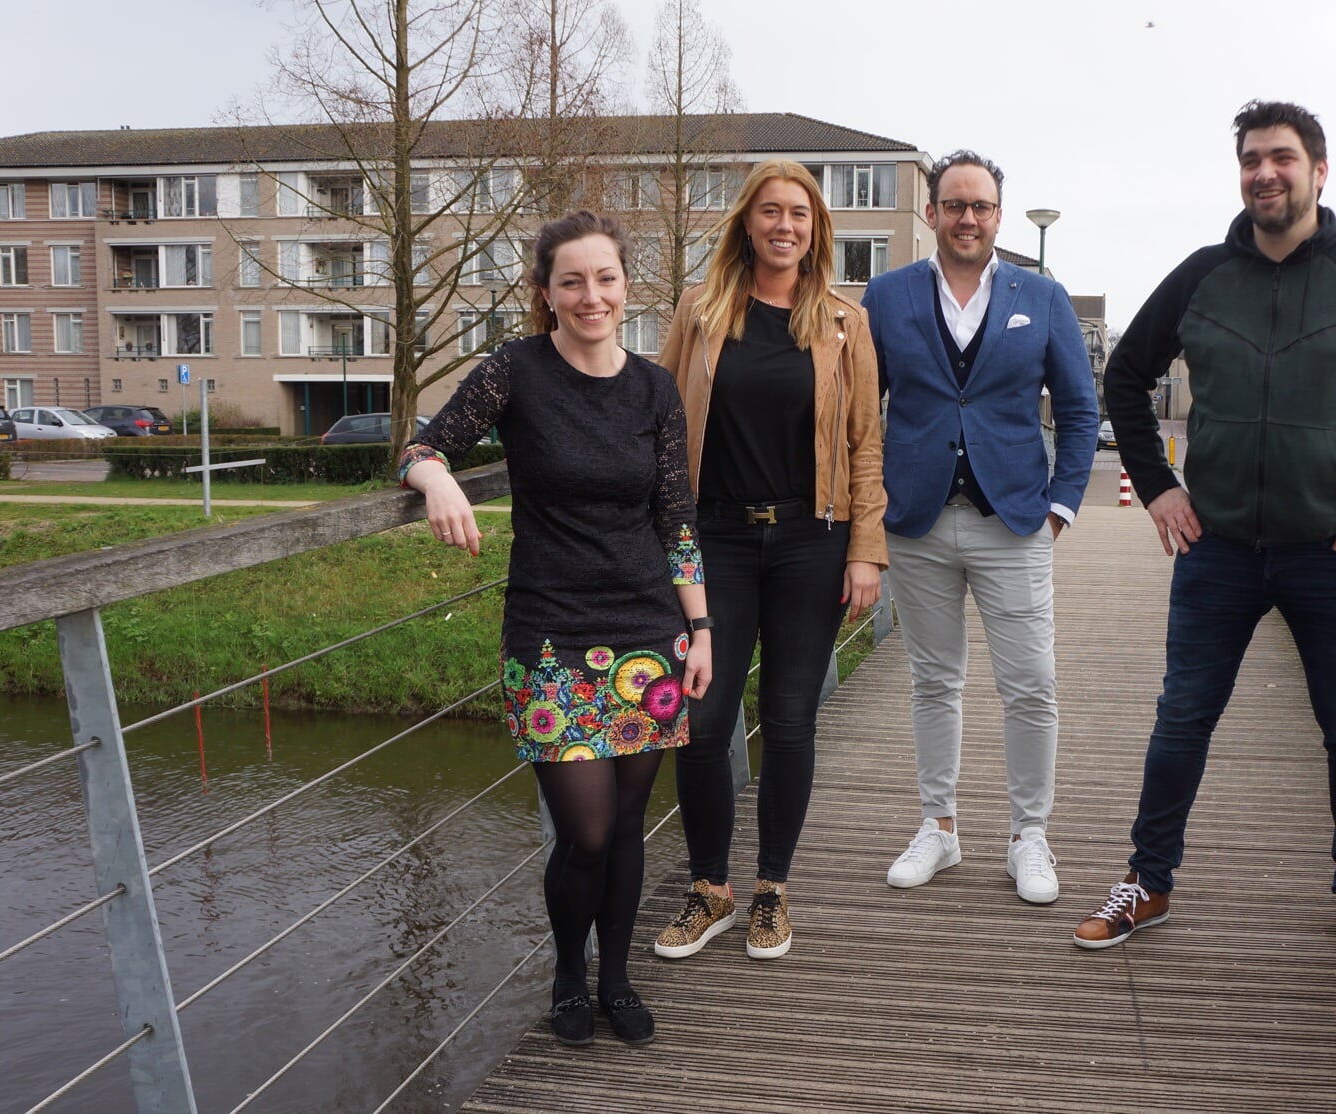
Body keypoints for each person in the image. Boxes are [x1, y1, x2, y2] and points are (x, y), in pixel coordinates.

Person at [1079, 102, 1336, 960]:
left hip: (1330, 556)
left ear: (1319, 170)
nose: (1265, 173)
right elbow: (1123, 378)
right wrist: (1155, 486)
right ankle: (1148, 879)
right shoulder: (1201, 276)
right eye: (1251, 160)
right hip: (1218, 548)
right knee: (1181, 717)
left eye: (1282, 158)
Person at [399, 209, 711, 1048]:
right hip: (550, 639)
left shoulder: (653, 388)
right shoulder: (516, 371)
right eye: (570, 281)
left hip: (650, 633)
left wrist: (702, 627)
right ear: (545, 293)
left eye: (603, 278)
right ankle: (570, 973)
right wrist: (437, 481)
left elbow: (676, 518)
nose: (589, 295)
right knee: (588, 829)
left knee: (631, 820)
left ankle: (616, 979)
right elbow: (424, 444)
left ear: (625, 285)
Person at [654, 159, 886, 961]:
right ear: (746, 222)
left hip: (809, 542)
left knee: (789, 720)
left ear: (816, 227)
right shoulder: (699, 310)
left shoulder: (844, 324)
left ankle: (771, 892)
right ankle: (709, 888)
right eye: (769, 212)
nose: (784, 225)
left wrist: (866, 550)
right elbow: (656, 418)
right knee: (704, 721)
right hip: (713, 538)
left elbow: (864, 444)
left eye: (799, 213)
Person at [861, 149, 1097, 905]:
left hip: (1015, 521)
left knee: (1031, 685)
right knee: (935, 681)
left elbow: (1080, 408)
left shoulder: (1044, 295)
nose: (969, 218)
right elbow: (864, 413)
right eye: (955, 204)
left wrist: (1061, 506)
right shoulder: (887, 295)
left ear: (999, 214)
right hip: (918, 523)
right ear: (931, 212)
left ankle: (1030, 834)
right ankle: (941, 826)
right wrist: (870, 512)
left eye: (982, 206)